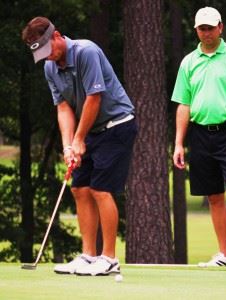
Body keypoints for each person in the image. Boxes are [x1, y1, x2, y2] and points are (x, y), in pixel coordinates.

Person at [22, 17, 137, 275]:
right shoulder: (50, 67)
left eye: (47, 49)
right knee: (80, 189)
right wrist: (67, 145)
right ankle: (88, 256)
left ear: (57, 36)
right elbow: (63, 107)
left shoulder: (87, 52)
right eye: (41, 54)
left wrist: (79, 138)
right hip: (91, 130)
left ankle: (109, 259)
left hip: (116, 124)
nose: (47, 57)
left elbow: (94, 98)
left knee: (100, 189)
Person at [172, 7, 226, 268]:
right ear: (196, 30)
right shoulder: (189, 62)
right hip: (200, 136)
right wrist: (178, 143)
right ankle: (225, 254)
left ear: (220, 27)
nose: (207, 33)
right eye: (202, 28)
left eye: (211, 28)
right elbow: (184, 105)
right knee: (213, 196)